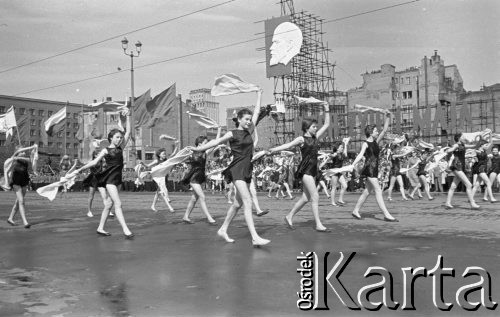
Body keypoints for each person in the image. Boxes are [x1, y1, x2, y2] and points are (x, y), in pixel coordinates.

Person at [189, 89, 270, 246]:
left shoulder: (250, 131)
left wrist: (259, 94)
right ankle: (255, 237)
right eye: (245, 119)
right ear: (239, 119)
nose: (248, 121)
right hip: (237, 169)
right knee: (248, 202)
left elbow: (257, 111)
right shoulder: (232, 134)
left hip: (247, 169)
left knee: (237, 204)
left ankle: (223, 229)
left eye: (249, 119)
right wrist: (198, 149)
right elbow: (216, 142)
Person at [268, 100, 331, 232]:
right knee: (315, 197)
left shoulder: (316, 137)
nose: (316, 128)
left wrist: (326, 109)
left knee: (306, 197)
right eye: (314, 126)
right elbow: (287, 146)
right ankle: (318, 224)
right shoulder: (301, 139)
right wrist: (272, 150)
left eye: (316, 126)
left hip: (313, 170)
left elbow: (327, 124)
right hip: (306, 170)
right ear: (307, 127)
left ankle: (289, 216)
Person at [73, 110, 134, 238]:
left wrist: (128, 116)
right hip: (110, 180)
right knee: (118, 204)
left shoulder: (120, 148)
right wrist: (79, 169)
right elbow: (94, 162)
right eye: (117, 137)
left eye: (120, 137)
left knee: (108, 204)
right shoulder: (106, 150)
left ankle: (100, 228)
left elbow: (128, 132)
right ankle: (125, 229)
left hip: (117, 180)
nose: (120, 139)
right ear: (111, 138)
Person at [350, 111, 398, 222]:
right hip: (369, 168)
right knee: (378, 190)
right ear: (371, 133)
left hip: (375, 168)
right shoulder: (365, 143)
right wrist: (352, 164)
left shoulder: (376, 141)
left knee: (367, 191)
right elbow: (361, 155)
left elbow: (385, 130)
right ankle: (386, 214)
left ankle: (355, 210)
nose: (377, 132)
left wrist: (387, 117)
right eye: (376, 131)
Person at [182, 127, 221, 225]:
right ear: (199, 144)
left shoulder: (205, 152)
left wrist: (219, 130)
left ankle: (186, 216)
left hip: (200, 177)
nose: (207, 144)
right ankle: (209, 218)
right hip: (193, 178)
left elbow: (216, 142)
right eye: (205, 143)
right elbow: (179, 158)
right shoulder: (191, 152)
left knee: (194, 198)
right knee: (202, 197)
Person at [444, 133, 480, 209]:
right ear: (459, 138)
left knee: (453, 186)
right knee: (469, 185)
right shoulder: (456, 145)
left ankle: (447, 203)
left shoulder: (463, 145)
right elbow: (451, 149)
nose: (464, 138)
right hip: (457, 166)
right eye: (463, 137)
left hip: (459, 167)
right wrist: (448, 150)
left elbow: (475, 146)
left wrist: (479, 140)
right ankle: (472, 203)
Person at [6, 144, 39, 228]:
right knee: (21, 201)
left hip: (24, 181)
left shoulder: (25, 160)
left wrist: (34, 150)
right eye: (22, 151)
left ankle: (10, 218)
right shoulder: (14, 158)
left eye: (24, 151)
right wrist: (31, 147)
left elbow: (32, 160)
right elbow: (17, 152)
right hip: (16, 182)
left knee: (18, 202)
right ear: (18, 152)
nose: (24, 152)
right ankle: (25, 222)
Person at [145, 138, 179, 212]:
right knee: (162, 192)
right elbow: (148, 166)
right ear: (159, 155)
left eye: (165, 154)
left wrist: (176, 145)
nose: (165, 155)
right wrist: (142, 164)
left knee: (158, 192)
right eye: (163, 154)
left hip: (164, 177)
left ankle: (153, 205)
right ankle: (170, 207)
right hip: (158, 178)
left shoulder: (166, 160)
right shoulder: (157, 160)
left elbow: (173, 154)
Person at [81, 150, 103, 217]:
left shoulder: (102, 160)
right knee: (91, 196)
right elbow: (87, 167)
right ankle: (89, 211)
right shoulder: (92, 161)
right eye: (98, 153)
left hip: (100, 179)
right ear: (95, 155)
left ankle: (108, 210)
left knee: (104, 196)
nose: (100, 154)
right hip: (93, 179)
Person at [328, 138, 349, 206]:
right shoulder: (336, 154)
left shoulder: (342, 154)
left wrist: (345, 144)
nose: (342, 148)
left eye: (342, 147)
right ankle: (332, 202)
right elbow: (332, 155)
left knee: (345, 186)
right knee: (334, 187)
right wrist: (330, 155)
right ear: (337, 148)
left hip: (339, 172)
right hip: (334, 172)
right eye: (341, 147)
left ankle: (340, 199)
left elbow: (345, 153)